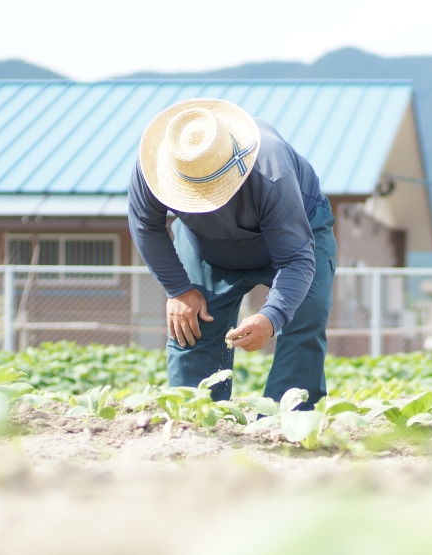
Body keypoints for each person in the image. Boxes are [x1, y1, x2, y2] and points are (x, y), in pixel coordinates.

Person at [128, 99, 336, 409]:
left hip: (294, 236)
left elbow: (296, 259)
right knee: (191, 327)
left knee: (306, 313)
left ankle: (287, 419)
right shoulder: (153, 168)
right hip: (206, 244)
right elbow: (145, 225)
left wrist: (272, 316)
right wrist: (179, 290)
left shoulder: (270, 170)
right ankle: (199, 416)